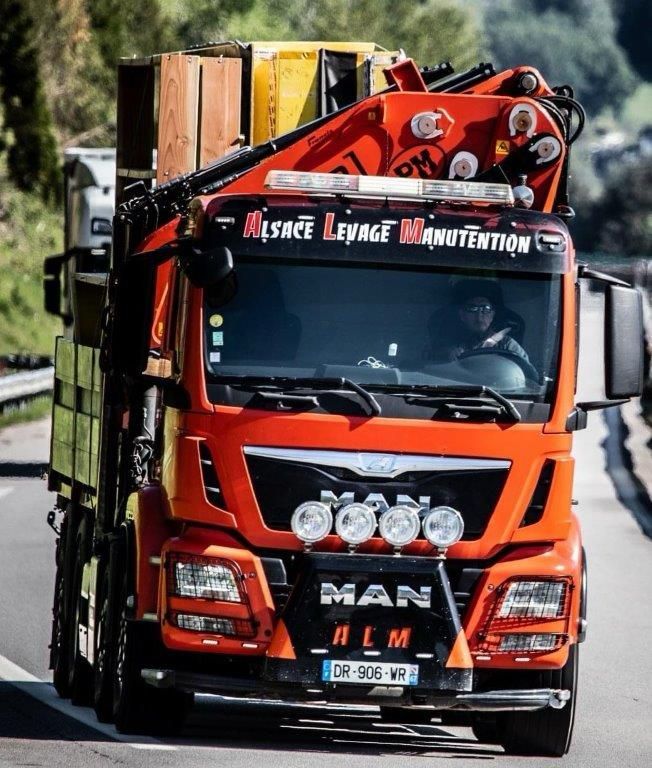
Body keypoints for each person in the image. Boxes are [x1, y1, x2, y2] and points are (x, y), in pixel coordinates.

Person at [436, 278, 530, 363]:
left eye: (486, 308)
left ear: (492, 314)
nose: (479, 316)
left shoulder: (507, 345)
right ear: (462, 315)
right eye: (472, 308)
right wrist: (447, 355)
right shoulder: (457, 348)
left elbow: (527, 374)